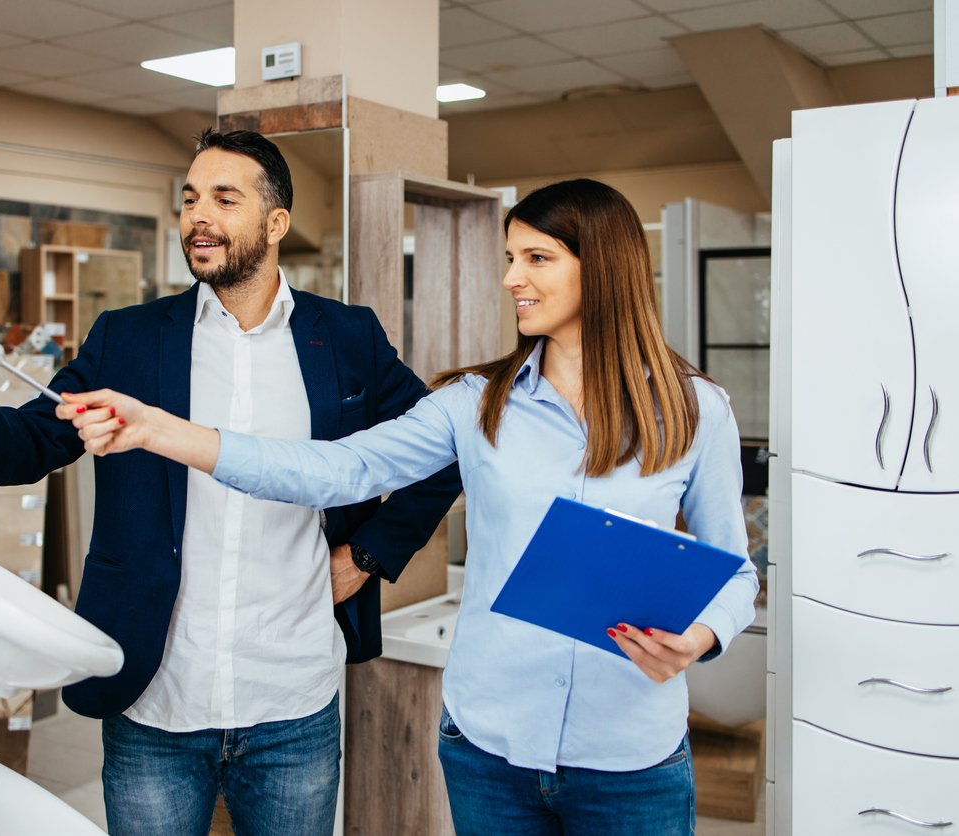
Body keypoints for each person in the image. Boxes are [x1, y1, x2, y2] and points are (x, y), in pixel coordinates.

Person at [59, 178, 759, 835]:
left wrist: (699, 639)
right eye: (511, 257)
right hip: (491, 750)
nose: (513, 278)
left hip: (631, 752)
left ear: (604, 268)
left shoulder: (696, 410)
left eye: (537, 258)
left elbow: (734, 572)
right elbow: (338, 469)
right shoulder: (475, 404)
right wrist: (161, 429)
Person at [0, 128, 461, 836]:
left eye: (225, 198)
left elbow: (439, 448)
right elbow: (29, 442)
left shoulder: (346, 338)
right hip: (153, 699)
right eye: (191, 198)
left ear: (276, 223)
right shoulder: (127, 338)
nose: (199, 215)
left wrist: (368, 556)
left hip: (293, 698)